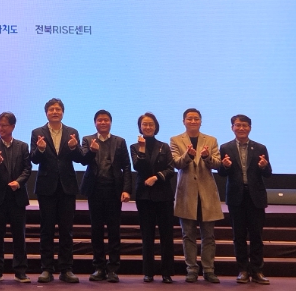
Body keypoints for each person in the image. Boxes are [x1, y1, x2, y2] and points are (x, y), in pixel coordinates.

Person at [30, 98, 84, 284]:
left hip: (67, 187)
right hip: (46, 188)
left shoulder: (72, 132)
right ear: (46, 113)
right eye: (51, 109)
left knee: (66, 230)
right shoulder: (37, 132)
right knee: (46, 229)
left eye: (58, 109)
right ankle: (46, 269)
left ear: (63, 112)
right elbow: (34, 159)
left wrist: (74, 147)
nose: (55, 112)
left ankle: (66, 269)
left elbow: (80, 158)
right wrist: (40, 150)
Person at [170, 108, 223, 283]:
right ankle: (191, 269)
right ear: (183, 121)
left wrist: (207, 157)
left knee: (209, 236)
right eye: (189, 118)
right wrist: (188, 155)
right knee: (188, 235)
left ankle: (208, 269)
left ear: (201, 121)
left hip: (207, 194)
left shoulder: (211, 140)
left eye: (196, 118)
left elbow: (217, 164)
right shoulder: (175, 140)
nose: (193, 121)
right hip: (186, 193)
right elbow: (176, 163)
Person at [218, 115, 272, 285]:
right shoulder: (225, 147)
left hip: (255, 197)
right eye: (238, 125)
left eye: (245, 125)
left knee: (256, 236)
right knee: (239, 236)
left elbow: (268, 173)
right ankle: (242, 270)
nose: (241, 128)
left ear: (250, 128)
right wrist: (225, 166)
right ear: (232, 127)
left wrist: (264, 166)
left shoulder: (260, 147)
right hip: (236, 197)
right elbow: (221, 173)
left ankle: (257, 271)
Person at [79, 110, 132, 283]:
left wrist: (126, 189)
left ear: (111, 122)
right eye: (100, 120)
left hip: (114, 191)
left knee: (114, 230)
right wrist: (92, 151)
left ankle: (113, 269)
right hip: (95, 191)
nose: (103, 123)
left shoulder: (119, 141)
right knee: (96, 230)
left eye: (106, 120)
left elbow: (126, 166)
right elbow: (83, 161)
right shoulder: (88, 140)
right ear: (95, 123)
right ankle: (99, 267)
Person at [0, 111, 32, 284]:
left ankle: (20, 271)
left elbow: (27, 169)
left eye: (4, 125)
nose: (0, 128)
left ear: (12, 126)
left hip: (17, 197)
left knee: (19, 235)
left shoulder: (22, 146)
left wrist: (18, 182)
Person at [130, 112, 176, 284]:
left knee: (166, 235)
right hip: (144, 196)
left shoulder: (164, 146)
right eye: (144, 124)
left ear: (156, 126)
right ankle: (148, 272)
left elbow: (171, 169)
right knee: (147, 235)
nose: (148, 127)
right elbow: (138, 167)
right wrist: (142, 149)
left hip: (164, 195)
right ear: (140, 127)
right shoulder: (135, 147)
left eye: (151, 124)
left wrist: (157, 177)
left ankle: (167, 272)